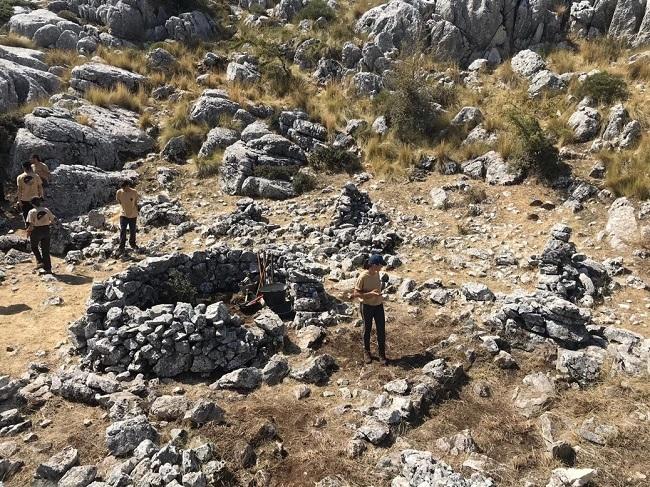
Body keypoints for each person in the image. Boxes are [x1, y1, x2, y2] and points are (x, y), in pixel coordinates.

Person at [353, 254, 388, 365]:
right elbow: (356, 293)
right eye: (380, 265)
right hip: (367, 306)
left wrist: (378, 294)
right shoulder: (363, 276)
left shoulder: (377, 274)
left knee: (381, 330)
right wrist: (370, 294)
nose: (382, 267)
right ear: (374, 265)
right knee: (367, 329)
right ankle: (366, 352)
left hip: (378, 305)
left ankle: (382, 354)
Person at [26, 197, 56, 274]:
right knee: (45, 250)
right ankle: (48, 268)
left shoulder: (31, 212)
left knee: (34, 247)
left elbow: (31, 224)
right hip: (46, 230)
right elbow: (53, 220)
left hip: (36, 231)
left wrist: (28, 232)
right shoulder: (46, 210)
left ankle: (40, 262)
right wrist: (52, 225)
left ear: (32, 204)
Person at [16, 160, 44, 225]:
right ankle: (36, 226)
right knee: (35, 213)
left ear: (23, 167)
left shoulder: (20, 177)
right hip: (35, 199)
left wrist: (19, 200)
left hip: (24, 199)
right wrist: (42, 196)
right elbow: (40, 187)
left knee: (26, 214)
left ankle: (28, 227)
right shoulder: (36, 176)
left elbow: (19, 190)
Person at [116, 180, 139, 253]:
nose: (123, 189)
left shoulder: (134, 192)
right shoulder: (119, 192)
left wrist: (136, 210)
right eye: (122, 188)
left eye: (124, 187)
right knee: (123, 230)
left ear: (128, 185)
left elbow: (135, 202)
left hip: (133, 215)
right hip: (123, 215)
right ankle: (121, 246)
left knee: (133, 230)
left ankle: (132, 243)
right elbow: (118, 201)